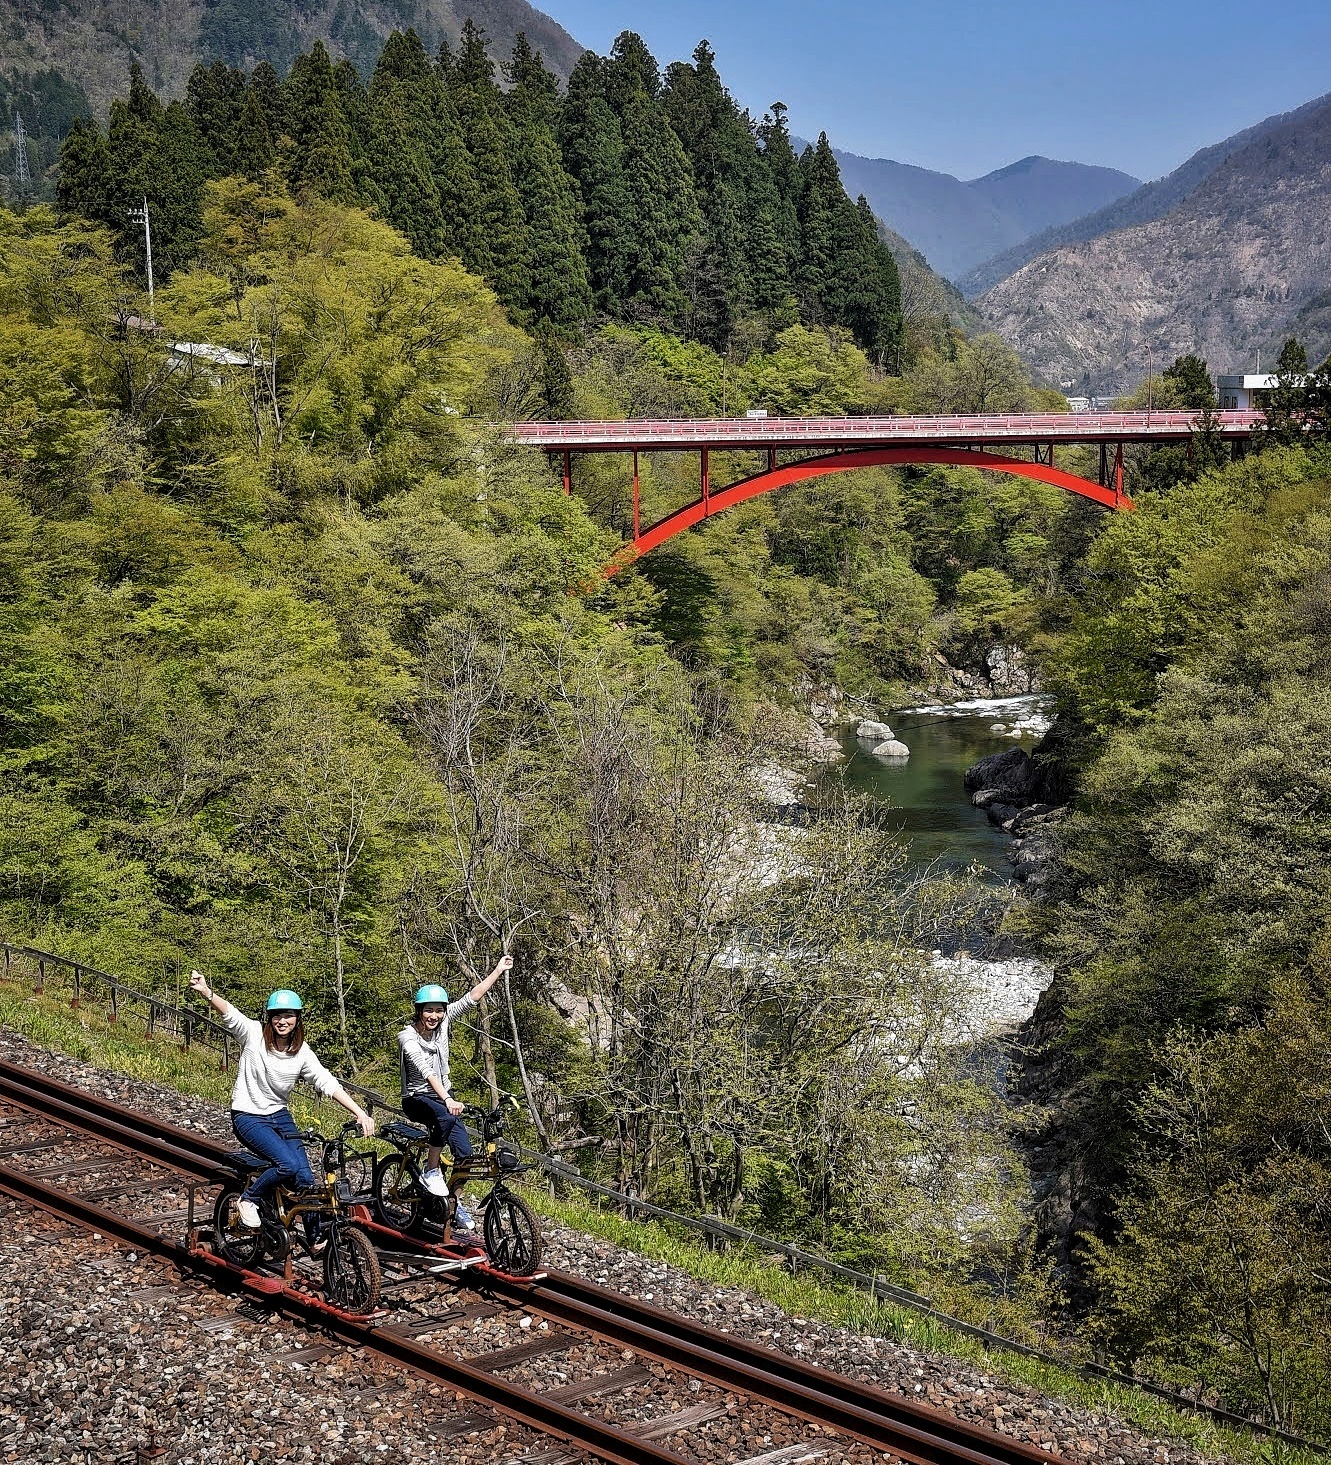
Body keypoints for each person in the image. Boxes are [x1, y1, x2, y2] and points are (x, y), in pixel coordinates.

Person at [189, 971, 374, 1233]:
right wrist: (206, 991)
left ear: (297, 1019)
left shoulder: (302, 1052)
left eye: (288, 1015)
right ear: (270, 1018)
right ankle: (248, 1200)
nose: (282, 1021)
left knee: (305, 1177)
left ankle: (314, 1238)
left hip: (279, 1115)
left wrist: (360, 1113)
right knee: (286, 1164)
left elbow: (327, 1082)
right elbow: (230, 1013)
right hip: (248, 1115)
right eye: (277, 1015)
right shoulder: (254, 1034)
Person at [398, 954, 513, 1229]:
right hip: (416, 1098)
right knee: (447, 1118)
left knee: (465, 1157)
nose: (434, 1016)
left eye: (439, 1010)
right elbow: (426, 1071)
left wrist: (498, 969)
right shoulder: (407, 1037)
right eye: (428, 1010)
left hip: (443, 1097)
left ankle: (454, 1204)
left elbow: (472, 997)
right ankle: (431, 1170)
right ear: (419, 1010)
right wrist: (448, 1098)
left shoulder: (445, 1021)